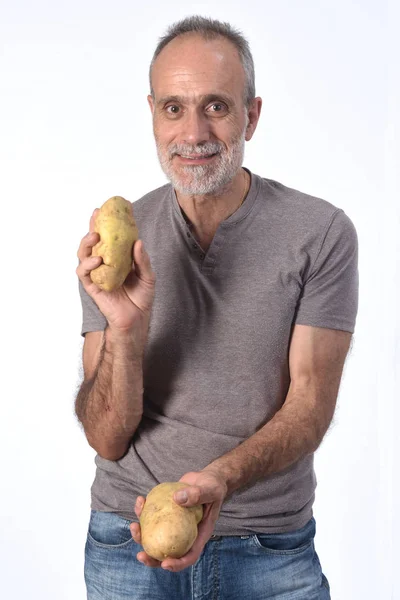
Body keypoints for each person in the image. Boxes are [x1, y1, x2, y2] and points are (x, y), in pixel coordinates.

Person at [75, 15, 358, 600]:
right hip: (129, 542)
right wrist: (124, 328)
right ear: (152, 113)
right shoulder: (116, 240)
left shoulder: (320, 232)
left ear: (251, 115)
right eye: (173, 109)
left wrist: (219, 481)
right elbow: (106, 438)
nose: (193, 133)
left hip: (268, 546)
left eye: (217, 107)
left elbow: (309, 405)